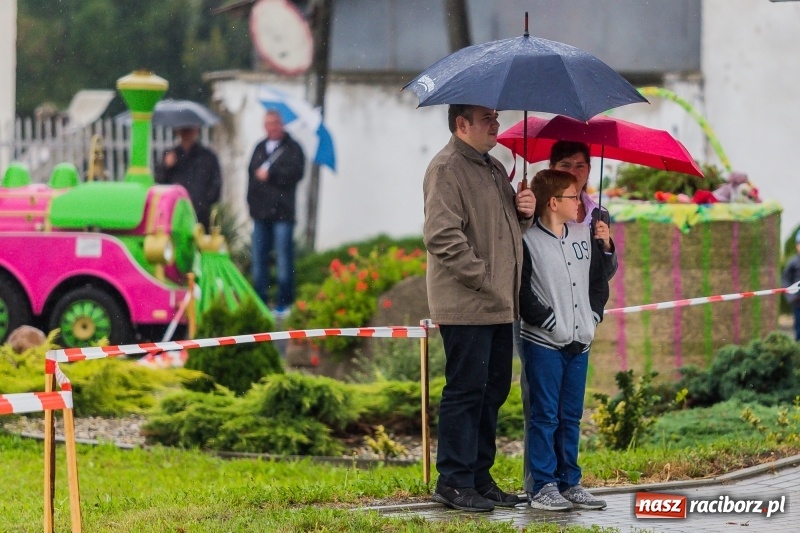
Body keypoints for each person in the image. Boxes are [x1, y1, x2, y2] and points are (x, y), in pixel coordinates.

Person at [424, 104, 536, 512]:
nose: (497, 123)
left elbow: (500, 233)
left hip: (498, 304)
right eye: (487, 118)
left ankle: (478, 476)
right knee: (467, 390)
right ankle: (452, 481)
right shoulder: (447, 168)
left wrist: (523, 212)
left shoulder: (491, 167)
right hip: (467, 304)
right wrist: (485, 280)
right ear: (461, 124)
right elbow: (442, 236)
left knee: (493, 390)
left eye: (496, 116)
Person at [519, 169, 609, 511]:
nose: (580, 201)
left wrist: (593, 316)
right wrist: (551, 322)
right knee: (545, 416)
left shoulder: (584, 234)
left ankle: (570, 481)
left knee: (571, 415)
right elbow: (522, 292)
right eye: (574, 196)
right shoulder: (527, 241)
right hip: (544, 343)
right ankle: (543, 486)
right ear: (554, 202)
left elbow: (599, 279)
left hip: (580, 341)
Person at [247, 109, 306, 318]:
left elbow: (296, 173)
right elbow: (252, 177)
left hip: (283, 213)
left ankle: (284, 302)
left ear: (282, 125)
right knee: (259, 259)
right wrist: (252, 205)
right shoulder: (259, 148)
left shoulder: (292, 149)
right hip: (261, 213)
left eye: (276, 123)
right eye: (268, 123)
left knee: (283, 258)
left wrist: (271, 174)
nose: (272, 127)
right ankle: (261, 301)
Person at [156, 126, 221, 231]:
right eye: (184, 130)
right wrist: (166, 167)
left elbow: (216, 185)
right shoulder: (171, 155)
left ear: (197, 130)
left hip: (200, 214)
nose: (187, 133)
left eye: (190, 129)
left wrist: (204, 203)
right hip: (176, 212)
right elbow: (159, 183)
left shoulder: (207, 156)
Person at [781, 229, 800, 340]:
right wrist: (792, 297)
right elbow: (785, 280)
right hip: (798, 303)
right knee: (798, 329)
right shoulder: (792, 262)